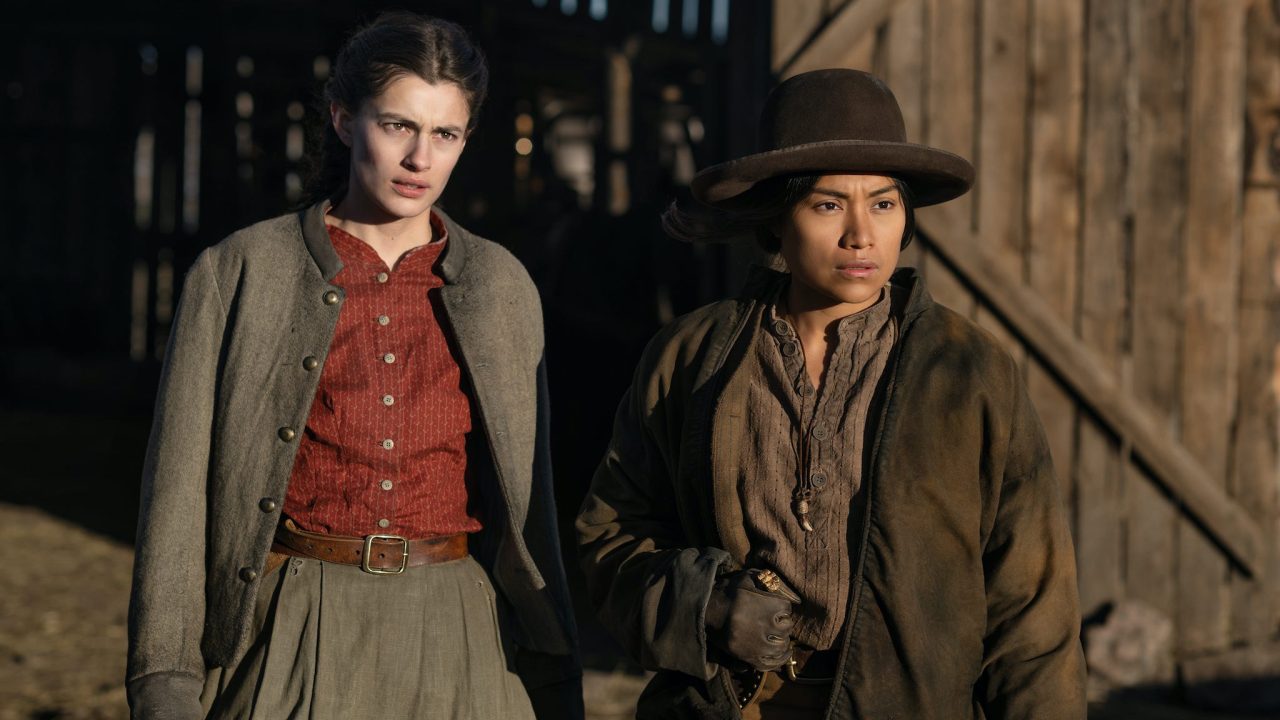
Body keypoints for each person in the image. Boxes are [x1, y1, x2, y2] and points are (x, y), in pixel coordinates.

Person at [577, 69, 1086, 719]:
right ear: (776, 216)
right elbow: (611, 536)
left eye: (883, 204)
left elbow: (1032, 609)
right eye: (827, 205)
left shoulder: (969, 373)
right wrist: (704, 604)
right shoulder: (691, 359)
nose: (860, 234)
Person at [126, 12, 582, 719]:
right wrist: (164, 680)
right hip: (296, 620)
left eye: (445, 134)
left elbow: (533, 507)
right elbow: (177, 497)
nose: (420, 159)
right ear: (343, 119)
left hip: (461, 630)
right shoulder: (241, 271)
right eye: (398, 125)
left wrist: (555, 677)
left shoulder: (501, 285)